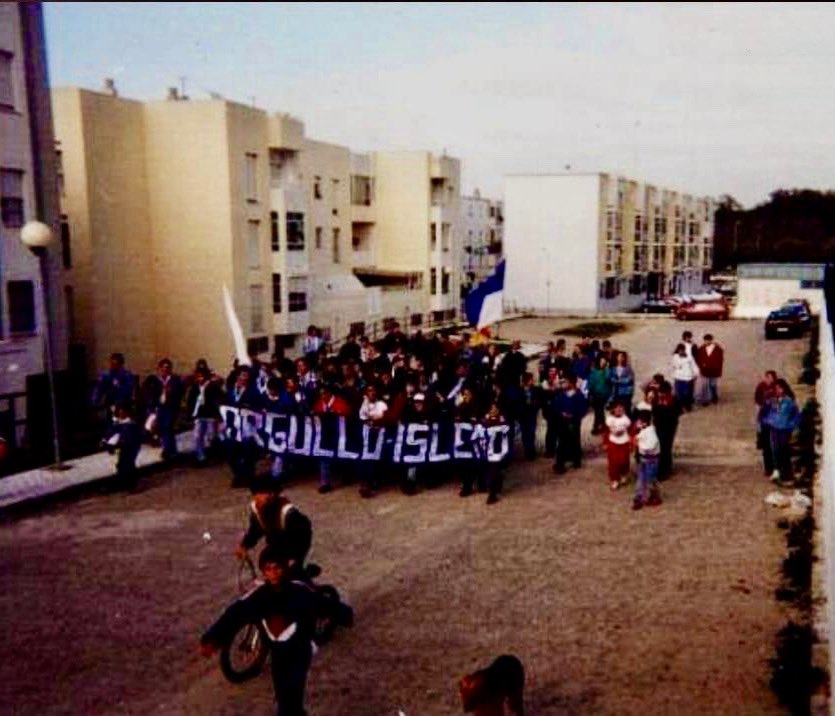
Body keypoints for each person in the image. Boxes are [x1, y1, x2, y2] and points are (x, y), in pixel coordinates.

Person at [201, 545, 327, 716]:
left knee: (292, 694)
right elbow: (234, 613)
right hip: (278, 654)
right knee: (283, 692)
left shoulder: (299, 591)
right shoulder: (260, 596)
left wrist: (344, 614)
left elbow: (324, 604)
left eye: (277, 568)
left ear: (284, 568)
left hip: (299, 651)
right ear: (263, 571)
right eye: (268, 569)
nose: (273, 574)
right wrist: (212, 638)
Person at [235, 485, 313, 577]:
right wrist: (245, 545)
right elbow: (255, 529)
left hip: (293, 543)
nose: (261, 498)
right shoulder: (257, 508)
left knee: (291, 575)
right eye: (258, 494)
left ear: (273, 495)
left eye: (266, 493)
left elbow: (303, 537)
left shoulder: (288, 513)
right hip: (274, 543)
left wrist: (295, 558)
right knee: (268, 569)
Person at [311, 384, 352, 494]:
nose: (322, 396)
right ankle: (325, 483)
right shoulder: (320, 403)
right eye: (321, 394)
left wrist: (336, 413)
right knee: (323, 456)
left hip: (341, 435)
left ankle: (347, 475)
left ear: (330, 393)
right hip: (325, 436)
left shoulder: (340, 402)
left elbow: (348, 413)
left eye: (324, 393)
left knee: (343, 457)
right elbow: (314, 414)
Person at [142, 358, 185, 460]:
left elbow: (180, 392)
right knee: (163, 428)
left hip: (171, 407)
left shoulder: (175, 380)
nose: (165, 370)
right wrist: (152, 408)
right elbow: (152, 394)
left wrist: (172, 391)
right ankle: (172, 449)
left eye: (168, 368)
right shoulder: (157, 381)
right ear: (160, 368)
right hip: (160, 407)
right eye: (163, 368)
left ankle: (167, 450)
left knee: (167, 427)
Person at [762, 378, 800, 484]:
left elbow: (796, 416)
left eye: (780, 388)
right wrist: (768, 421)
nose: (778, 390)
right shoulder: (772, 401)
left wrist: (791, 425)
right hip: (775, 429)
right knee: (775, 450)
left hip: (784, 430)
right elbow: (765, 412)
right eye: (776, 388)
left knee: (784, 450)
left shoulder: (789, 401)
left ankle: (786, 472)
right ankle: (777, 470)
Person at [186, 367, 224, 465]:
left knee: (211, 436)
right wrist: (190, 414)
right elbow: (191, 401)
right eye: (198, 377)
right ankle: (201, 457)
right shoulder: (195, 388)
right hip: (199, 415)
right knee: (198, 436)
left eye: (202, 376)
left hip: (210, 414)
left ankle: (218, 453)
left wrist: (218, 415)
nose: (200, 379)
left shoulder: (213, 386)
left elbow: (220, 399)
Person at [356, 383, 388, 498]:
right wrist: (371, 420)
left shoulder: (382, 404)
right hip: (367, 435)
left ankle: (371, 483)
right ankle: (365, 484)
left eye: (374, 390)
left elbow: (384, 418)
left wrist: (375, 421)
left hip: (379, 434)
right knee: (365, 459)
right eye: (369, 390)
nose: (372, 393)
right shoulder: (364, 404)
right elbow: (363, 418)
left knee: (373, 458)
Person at [552, 374, 587, 475]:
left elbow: (583, 409)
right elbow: (556, 406)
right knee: (562, 442)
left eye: (565, 382)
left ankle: (576, 460)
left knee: (575, 440)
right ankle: (560, 464)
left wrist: (574, 415)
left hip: (574, 421)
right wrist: (561, 413)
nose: (563, 384)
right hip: (563, 421)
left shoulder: (578, 395)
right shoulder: (561, 395)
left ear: (571, 383)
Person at [103, 401, 143, 489]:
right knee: (122, 463)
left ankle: (131, 483)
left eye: (122, 411)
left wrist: (121, 441)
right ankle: (124, 482)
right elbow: (111, 432)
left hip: (132, 445)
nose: (120, 413)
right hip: (123, 446)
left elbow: (130, 436)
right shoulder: (118, 423)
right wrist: (107, 440)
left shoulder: (131, 423)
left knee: (128, 463)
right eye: (119, 411)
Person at [92, 352, 137, 424]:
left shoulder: (127, 376)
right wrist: (94, 403)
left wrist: (118, 403)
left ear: (121, 364)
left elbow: (127, 390)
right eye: (112, 364)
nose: (113, 366)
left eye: (115, 364)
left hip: (123, 406)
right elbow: (99, 389)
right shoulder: (106, 375)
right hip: (109, 404)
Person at [632, 409, 662, 510]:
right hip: (643, 459)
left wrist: (639, 443)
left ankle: (652, 496)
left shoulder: (651, 432)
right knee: (642, 478)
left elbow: (650, 446)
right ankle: (640, 495)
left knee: (650, 479)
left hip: (651, 460)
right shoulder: (644, 431)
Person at [652, 381, 680, 480]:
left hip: (669, 427)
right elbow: (654, 412)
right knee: (660, 447)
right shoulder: (656, 399)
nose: (661, 394)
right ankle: (660, 469)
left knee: (666, 448)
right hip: (659, 426)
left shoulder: (674, 400)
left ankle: (666, 469)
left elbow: (677, 413)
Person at [755, 370, 778, 477]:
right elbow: (757, 404)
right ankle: (768, 468)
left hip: (774, 421)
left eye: (771, 378)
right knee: (766, 445)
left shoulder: (777, 388)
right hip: (764, 420)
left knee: (774, 445)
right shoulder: (761, 387)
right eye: (767, 377)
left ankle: (775, 466)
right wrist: (757, 420)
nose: (769, 380)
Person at [604, 400, 632, 491]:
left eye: (621, 407)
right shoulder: (609, 420)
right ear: (613, 409)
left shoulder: (626, 420)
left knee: (624, 460)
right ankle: (615, 480)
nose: (619, 409)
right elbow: (606, 432)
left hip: (624, 442)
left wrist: (632, 443)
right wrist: (605, 443)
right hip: (613, 442)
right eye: (617, 407)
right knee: (613, 462)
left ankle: (624, 474)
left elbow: (631, 431)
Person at [695, 334, 724, 406]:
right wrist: (701, 365)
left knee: (712, 384)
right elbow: (698, 359)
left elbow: (720, 360)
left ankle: (714, 397)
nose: (706, 342)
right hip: (705, 370)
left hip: (713, 370)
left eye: (708, 340)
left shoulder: (717, 349)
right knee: (704, 385)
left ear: (711, 340)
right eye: (705, 340)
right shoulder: (701, 348)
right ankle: (705, 400)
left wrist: (718, 369)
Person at [587, 354, 612, 435]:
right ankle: (603, 426)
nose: (602, 363)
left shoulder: (607, 371)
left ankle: (596, 427)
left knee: (599, 410)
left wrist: (607, 368)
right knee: (599, 411)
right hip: (595, 394)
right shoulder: (594, 371)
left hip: (604, 394)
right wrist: (589, 390)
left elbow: (608, 379)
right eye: (601, 361)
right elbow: (590, 382)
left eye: (604, 362)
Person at [671, 343, 699, 412]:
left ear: (684, 350)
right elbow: (674, 366)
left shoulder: (689, 357)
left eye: (682, 350)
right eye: (679, 350)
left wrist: (696, 374)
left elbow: (694, 365)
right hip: (678, 378)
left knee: (687, 393)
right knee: (679, 393)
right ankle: (680, 406)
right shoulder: (675, 357)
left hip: (688, 378)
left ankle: (688, 406)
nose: (681, 352)